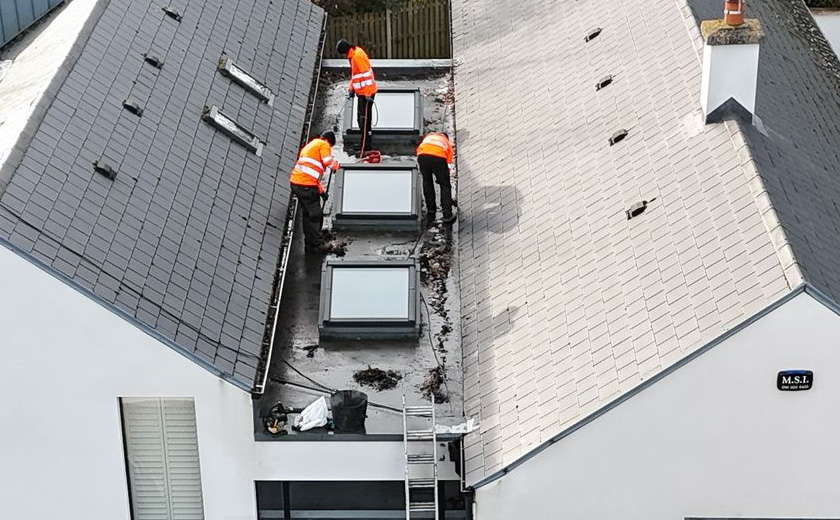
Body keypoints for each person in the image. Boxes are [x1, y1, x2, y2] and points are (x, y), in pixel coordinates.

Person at [289, 131, 340, 254]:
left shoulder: (311, 146)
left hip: (297, 183)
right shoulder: (323, 144)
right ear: (329, 141)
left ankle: (310, 242)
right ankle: (317, 244)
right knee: (315, 215)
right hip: (306, 186)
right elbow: (328, 161)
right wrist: (336, 165)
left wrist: (321, 191)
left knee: (307, 214)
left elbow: (311, 174)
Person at [336, 39, 377, 155]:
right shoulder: (355, 53)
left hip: (366, 94)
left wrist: (368, 94)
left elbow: (366, 75)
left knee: (364, 121)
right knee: (361, 119)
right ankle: (363, 143)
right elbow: (355, 75)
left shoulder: (357, 57)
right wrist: (352, 89)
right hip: (362, 93)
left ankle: (366, 147)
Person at [416, 132, 456, 225]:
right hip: (439, 157)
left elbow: (421, 150)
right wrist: (442, 178)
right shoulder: (446, 142)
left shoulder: (428, 138)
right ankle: (447, 215)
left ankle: (431, 210)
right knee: (445, 185)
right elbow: (448, 164)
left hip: (422, 155)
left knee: (427, 182)